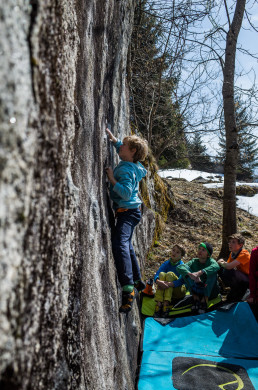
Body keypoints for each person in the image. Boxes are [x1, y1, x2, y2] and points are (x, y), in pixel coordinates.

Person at [105, 127, 148, 313]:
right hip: (132, 212)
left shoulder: (127, 171)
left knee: (119, 244)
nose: (120, 146)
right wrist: (114, 140)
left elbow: (125, 192)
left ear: (132, 152)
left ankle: (128, 288)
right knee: (127, 245)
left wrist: (112, 179)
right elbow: (121, 148)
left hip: (127, 211)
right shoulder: (134, 165)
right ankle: (138, 280)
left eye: (125, 145)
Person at [177, 242, 220, 314]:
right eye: (199, 249)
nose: (200, 251)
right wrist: (190, 274)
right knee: (185, 272)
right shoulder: (194, 261)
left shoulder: (211, 261)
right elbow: (180, 267)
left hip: (211, 292)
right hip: (197, 289)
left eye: (203, 250)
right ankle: (195, 299)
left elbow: (216, 266)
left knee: (213, 272)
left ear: (208, 254)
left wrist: (200, 272)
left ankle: (204, 302)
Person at [153, 244, 186, 316]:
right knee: (162, 274)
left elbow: (182, 281)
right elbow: (157, 274)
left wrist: (169, 284)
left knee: (170, 274)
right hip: (166, 288)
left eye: (177, 252)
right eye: (173, 250)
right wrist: (158, 281)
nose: (174, 253)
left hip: (178, 291)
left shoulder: (182, 266)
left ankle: (166, 304)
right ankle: (159, 303)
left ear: (181, 256)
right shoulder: (167, 263)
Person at [217, 234, 250, 301]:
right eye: (230, 242)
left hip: (249, 279)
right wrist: (222, 264)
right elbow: (227, 265)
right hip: (242, 277)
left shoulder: (244, 254)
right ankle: (226, 288)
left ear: (240, 245)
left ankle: (240, 290)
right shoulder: (232, 254)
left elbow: (228, 266)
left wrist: (221, 262)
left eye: (233, 242)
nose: (230, 244)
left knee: (228, 271)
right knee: (221, 269)